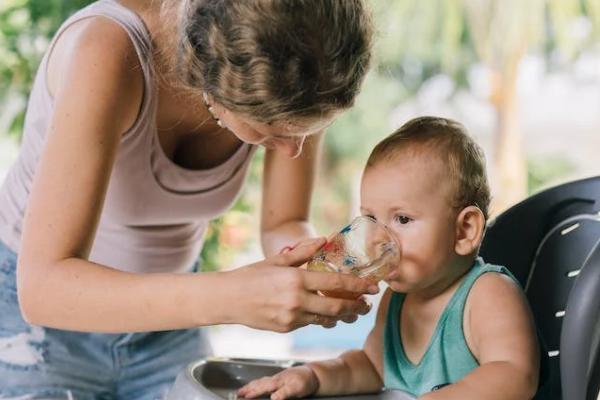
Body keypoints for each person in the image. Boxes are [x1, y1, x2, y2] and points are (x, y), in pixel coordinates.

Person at [0, 0, 379, 397]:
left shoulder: (302, 70)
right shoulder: (108, 51)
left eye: (309, 129)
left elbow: (282, 222)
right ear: (211, 78)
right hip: (41, 331)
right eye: (269, 132)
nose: (292, 150)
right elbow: (43, 288)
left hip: (167, 328)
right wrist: (232, 297)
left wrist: (314, 267)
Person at [237, 116, 540, 400]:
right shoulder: (397, 301)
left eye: (403, 219)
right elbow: (369, 366)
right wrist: (312, 376)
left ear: (464, 231)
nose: (377, 237)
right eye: (369, 217)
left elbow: (514, 375)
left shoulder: (488, 294)